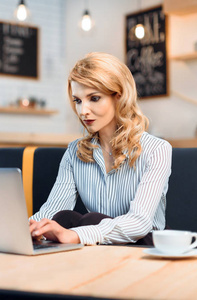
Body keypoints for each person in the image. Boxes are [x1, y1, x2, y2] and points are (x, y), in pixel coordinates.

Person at [29, 52, 172, 246]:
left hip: (143, 247)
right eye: (78, 101)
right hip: (99, 247)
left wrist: (78, 235)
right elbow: (52, 210)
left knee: (90, 220)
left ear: (118, 97)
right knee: (62, 218)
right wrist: (31, 228)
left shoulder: (157, 149)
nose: (83, 111)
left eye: (94, 98)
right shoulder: (74, 153)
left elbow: (139, 223)